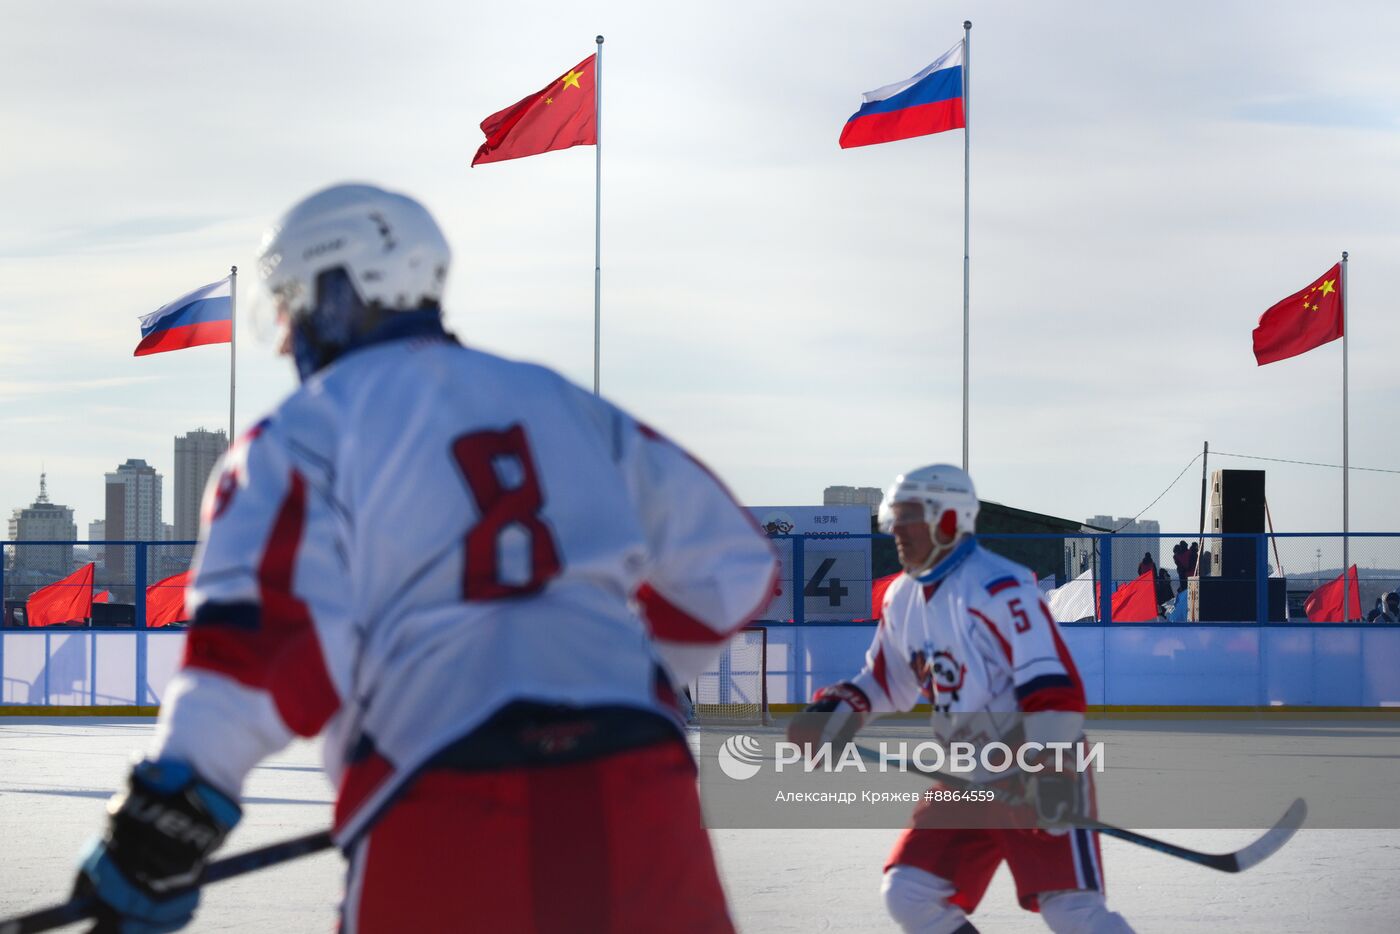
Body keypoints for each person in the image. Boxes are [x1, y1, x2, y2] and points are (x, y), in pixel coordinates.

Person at [70, 183, 778, 933]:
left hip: (447, 803)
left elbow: (265, 647)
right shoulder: (563, 402)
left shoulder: (304, 431)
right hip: (640, 795)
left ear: (347, 286)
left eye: (293, 302)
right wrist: (614, 681)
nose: (286, 335)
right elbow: (730, 568)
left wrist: (172, 810)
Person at [789, 464, 1132, 933]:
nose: (896, 532)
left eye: (908, 519)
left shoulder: (1000, 588)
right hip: (965, 773)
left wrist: (1050, 766)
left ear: (948, 521)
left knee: (1071, 911)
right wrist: (839, 709)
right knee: (909, 895)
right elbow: (887, 680)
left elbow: (1052, 685)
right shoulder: (902, 598)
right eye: (895, 519)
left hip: (1033, 767)